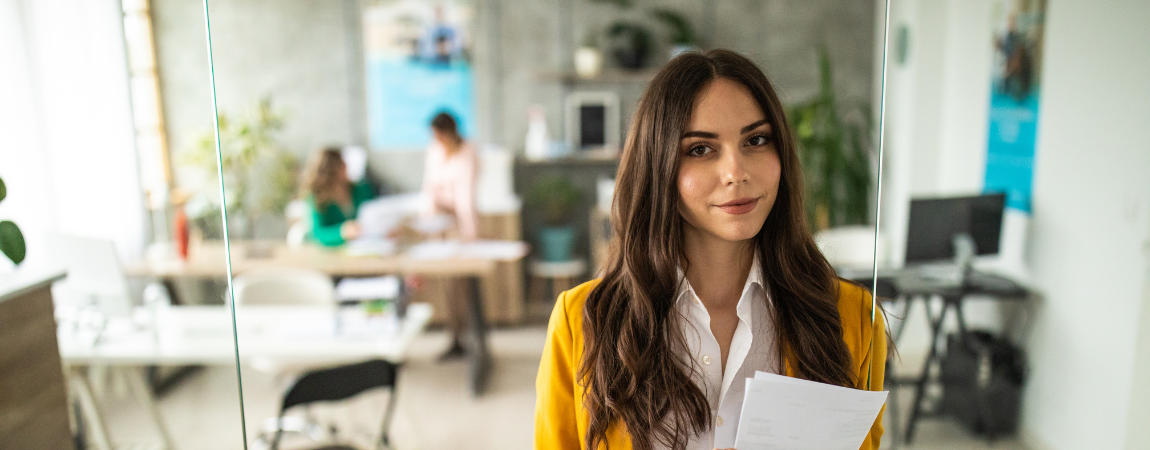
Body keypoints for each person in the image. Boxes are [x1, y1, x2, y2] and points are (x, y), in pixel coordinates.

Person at [534, 50, 887, 450]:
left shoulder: (852, 318)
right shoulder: (582, 322)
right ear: (658, 166)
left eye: (756, 140)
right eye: (700, 149)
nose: (736, 172)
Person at [420, 111, 479, 359]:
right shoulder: (434, 151)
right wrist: (426, 223)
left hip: (459, 224)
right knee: (446, 285)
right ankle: (454, 338)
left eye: (440, 134)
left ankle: (464, 338)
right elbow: (428, 188)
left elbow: (465, 198)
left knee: (460, 285)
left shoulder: (468, 153)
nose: (438, 139)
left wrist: (471, 235)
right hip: (437, 224)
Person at [301, 147, 374, 247]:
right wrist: (342, 232)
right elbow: (317, 234)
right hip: (334, 255)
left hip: (365, 247)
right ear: (329, 170)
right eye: (341, 164)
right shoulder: (317, 199)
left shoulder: (360, 189)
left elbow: (374, 213)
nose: (346, 166)